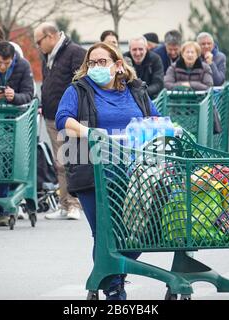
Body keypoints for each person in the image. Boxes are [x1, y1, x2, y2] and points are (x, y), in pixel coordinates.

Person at [55, 42, 160, 299]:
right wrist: (90, 133)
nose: (96, 67)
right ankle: (114, 288)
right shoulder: (78, 90)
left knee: (141, 234)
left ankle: (105, 277)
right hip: (94, 173)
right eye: (92, 63)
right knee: (105, 235)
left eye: (102, 62)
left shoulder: (137, 90)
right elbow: (63, 119)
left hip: (136, 173)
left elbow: (156, 120)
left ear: (118, 65)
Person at [34, 22, 86, 220]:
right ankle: (65, 204)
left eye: (39, 41)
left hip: (69, 117)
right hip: (50, 115)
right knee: (60, 163)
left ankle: (74, 205)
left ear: (50, 36)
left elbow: (79, 84)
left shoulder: (75, 52)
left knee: (71, 160)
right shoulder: (47, 55)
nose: (38, 46)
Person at [0, 41, 35, 226]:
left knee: (7, 163)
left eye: (7, 63)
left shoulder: (23, 66)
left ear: (13, 58)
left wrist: (15, 97)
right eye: (0, 63)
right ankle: (0, 204)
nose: (3, 66)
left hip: (14, 123)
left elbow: (29, 94)